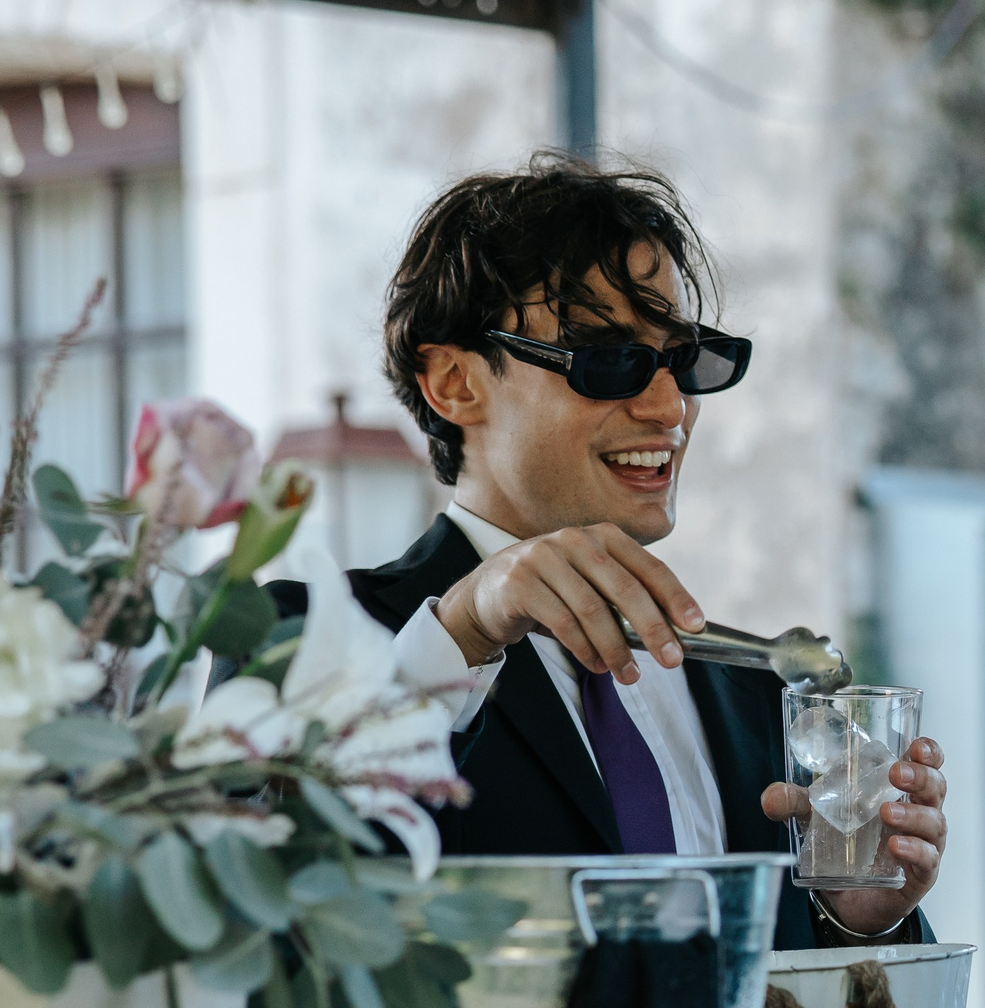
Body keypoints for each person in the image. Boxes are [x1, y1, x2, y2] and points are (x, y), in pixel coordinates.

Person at [275, 156, 945, 951]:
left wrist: (857, 918)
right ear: (453, 382)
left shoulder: (751, 695)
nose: (669, 407)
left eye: (684, 360)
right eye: (608, 360)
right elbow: (269, 907)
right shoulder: (312, 640)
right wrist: (465, 627)